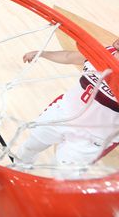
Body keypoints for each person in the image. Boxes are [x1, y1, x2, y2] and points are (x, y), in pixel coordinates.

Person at [16, 39, 119, 168]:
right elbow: (69, 56)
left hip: (95, 135)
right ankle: (16, 172)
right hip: (62, 113)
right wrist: (42, 53)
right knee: (30, 147)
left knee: (64, 173)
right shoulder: (105, 52)